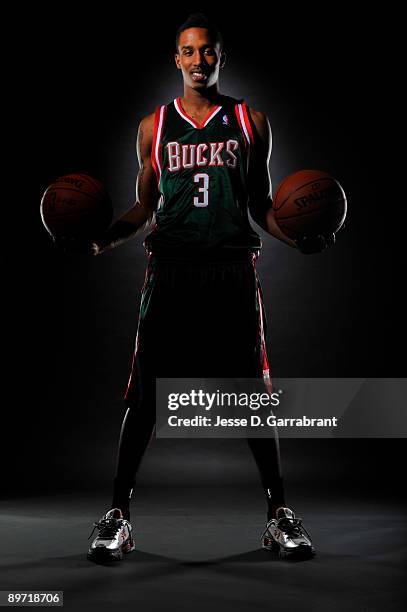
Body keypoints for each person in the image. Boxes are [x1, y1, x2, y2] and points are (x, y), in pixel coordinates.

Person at [62, 13, 334, 562]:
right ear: (176, 59)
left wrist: (298, 240)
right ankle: (117, 516)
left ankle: (279, 514)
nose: (199, 60)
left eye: (208, 51)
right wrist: (100, 243)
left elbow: (261, 205)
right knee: (144, 397)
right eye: (189, 51)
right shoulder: (152, 127)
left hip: (233, 271)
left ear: (220, 57)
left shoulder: (251, 121)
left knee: (253, 397)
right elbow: (143, 207)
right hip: (171, 272)